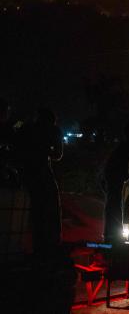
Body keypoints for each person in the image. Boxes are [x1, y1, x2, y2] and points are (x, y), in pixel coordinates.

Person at [14, 108, 64, 256]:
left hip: (25, 173)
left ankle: (37, 247)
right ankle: (51, 246)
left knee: (34, 212)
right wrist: (45, 150)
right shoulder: (54, 131)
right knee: (51, 209)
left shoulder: (26, 128)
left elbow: (17, 148)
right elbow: (58, 154)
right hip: (42, 172)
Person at [101, 121, 129, 241]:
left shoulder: (122, 146)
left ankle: (110, 233)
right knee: (114, 204)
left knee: (113, 204)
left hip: (110, 176)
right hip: (114, 177)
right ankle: (112, 234)